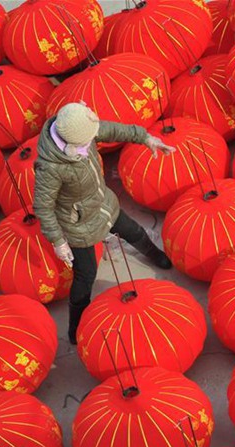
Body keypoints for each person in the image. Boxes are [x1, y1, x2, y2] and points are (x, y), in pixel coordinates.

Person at [33, 102, 176, 345]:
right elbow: (43, 207)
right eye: (87, 141)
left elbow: (115, 130)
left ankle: (156, 255)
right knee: (85, 274)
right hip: (78, 225)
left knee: (133, 231)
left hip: (103, 204)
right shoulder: (51, 169)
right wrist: (58, 241)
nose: (93, 140)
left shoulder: (80, 126)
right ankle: (75, 324)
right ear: (70, 144)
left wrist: (145, 138)